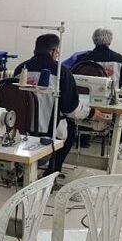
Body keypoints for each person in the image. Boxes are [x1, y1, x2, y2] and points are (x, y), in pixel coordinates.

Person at [13, 34, 104, 174]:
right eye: (57, 52)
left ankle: (21, 171)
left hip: (22, 129)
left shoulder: (20, 70)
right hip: (50, 132)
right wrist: (91, 113)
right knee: (71, 129)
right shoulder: (62, 73)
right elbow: (71, 109)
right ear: (53, 51)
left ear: (35, 49)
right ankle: (52, 171)